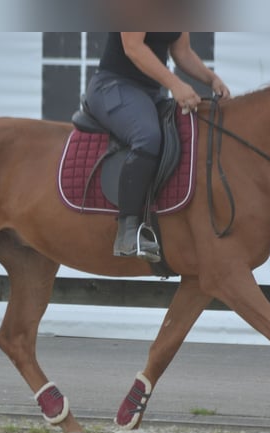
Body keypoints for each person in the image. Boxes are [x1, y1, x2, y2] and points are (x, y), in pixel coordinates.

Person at [85, 32, 231, 262]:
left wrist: (211, 79)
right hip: (112, 86)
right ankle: (128, 231)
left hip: (149, 93)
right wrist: (175, 84)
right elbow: (132, 47)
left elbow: (182, 52)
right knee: (147, 136)